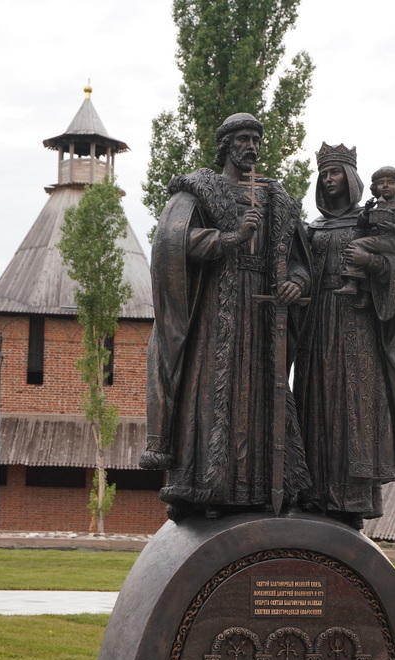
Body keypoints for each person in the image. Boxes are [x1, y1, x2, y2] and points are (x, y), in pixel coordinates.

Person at [140, 113, 312, 520]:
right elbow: (173, 244)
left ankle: (263, 489)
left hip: (265, 313)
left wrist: (297, 284)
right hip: (217, 311)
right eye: (242, 139)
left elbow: (300, 260)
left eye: (256, 138)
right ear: (226, 146)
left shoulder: (276, 199)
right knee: (213, 393)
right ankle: (207, 486)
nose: (250, 145)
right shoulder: (199, 193)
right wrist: (231, 238)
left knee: (262, 394)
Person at [293, 143, 395, 529]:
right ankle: (313, 493)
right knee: (316, 401)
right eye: (324, 174)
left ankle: (351, 498)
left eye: (336, 173)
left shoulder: (372, 223)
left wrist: (372, 262)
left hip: (358, 326)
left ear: (352, 179)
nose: (329, 181)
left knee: (354, 406)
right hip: (316, 327)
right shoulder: (312, 228)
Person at [337, 166, 395, 305]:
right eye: (381, 183)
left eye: (390, 182)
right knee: (368, 267)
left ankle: (352, 281)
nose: (385, 186)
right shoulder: (375, 207)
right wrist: (367, 211)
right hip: (377, 240)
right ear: (375, 188)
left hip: (390, 240)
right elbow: (361, 223)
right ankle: (366, 297)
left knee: (356, 245)